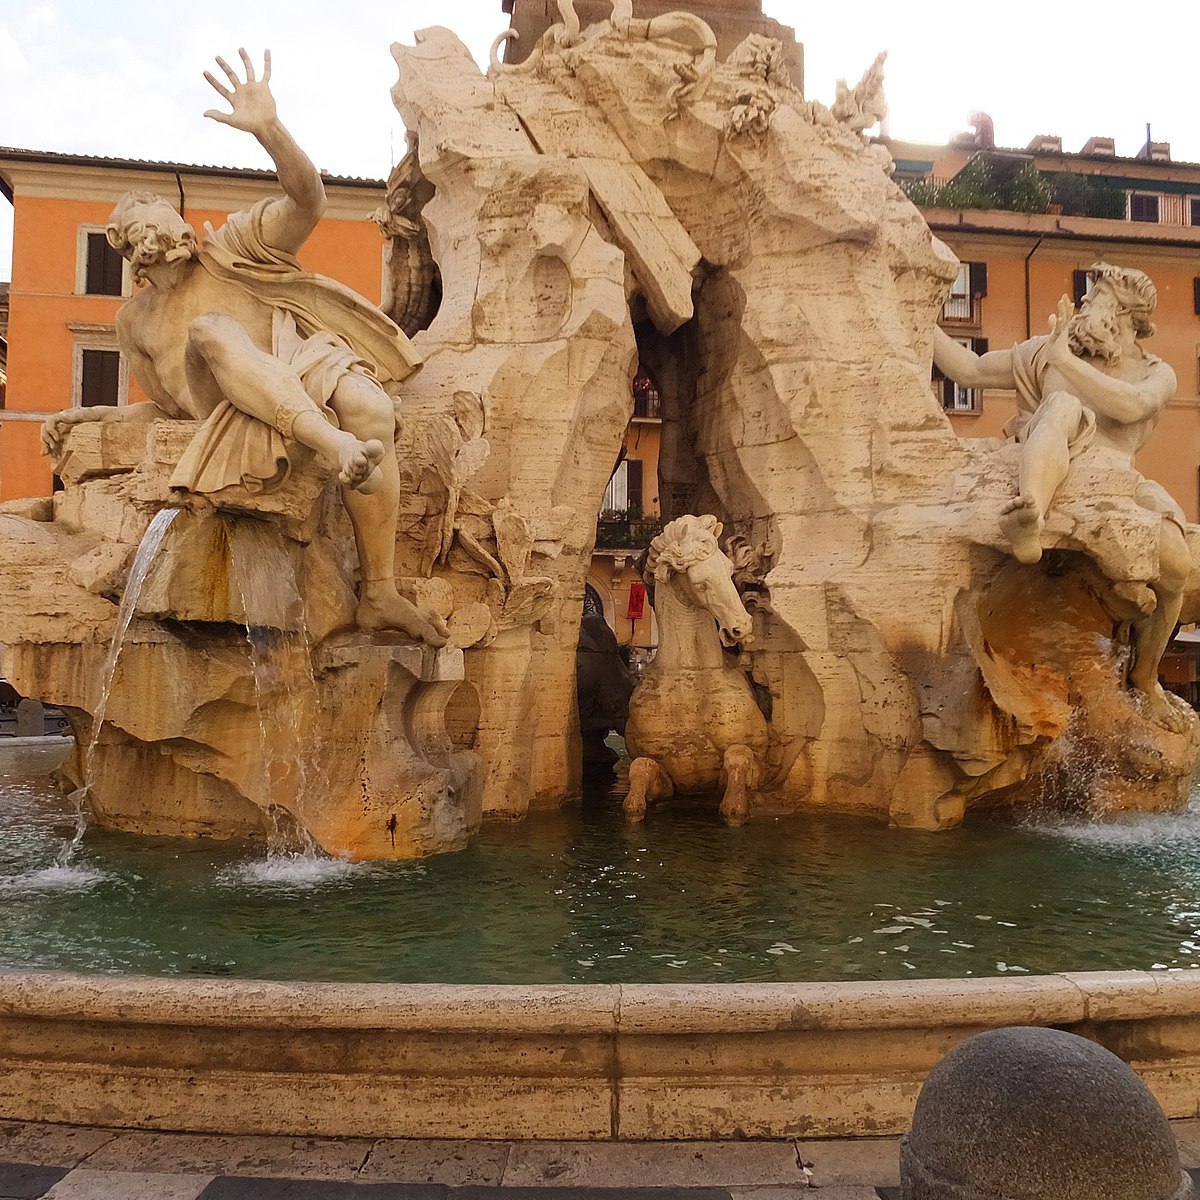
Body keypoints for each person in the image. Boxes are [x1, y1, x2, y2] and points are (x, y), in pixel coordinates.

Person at [41, 50, 448, 646]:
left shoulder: (235, 247)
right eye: (142, 234)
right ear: (130, 254)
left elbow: (309, 201)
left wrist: (269, 131)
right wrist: (91, 414)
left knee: (373, 410)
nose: (161, 235)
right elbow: (165, 409)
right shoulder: (138, 322)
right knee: (211, 330)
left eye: (164, 220)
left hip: (301, 366)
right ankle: (333, 443)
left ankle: (379, 592)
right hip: (221, 408)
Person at [933, 262, 1189, 707]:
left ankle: (1145, 677)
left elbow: (1133, 406)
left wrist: (1065, 362)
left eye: (1096, 297)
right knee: (1062, 405)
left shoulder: (1156, 372)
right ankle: (1029, 513)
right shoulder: (1049, 350)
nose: (1085, 303)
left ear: (1125, 313)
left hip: (1117, 479)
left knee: (1178, 567)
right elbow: (969, 370)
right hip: (1053, 460)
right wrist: (915, 315)